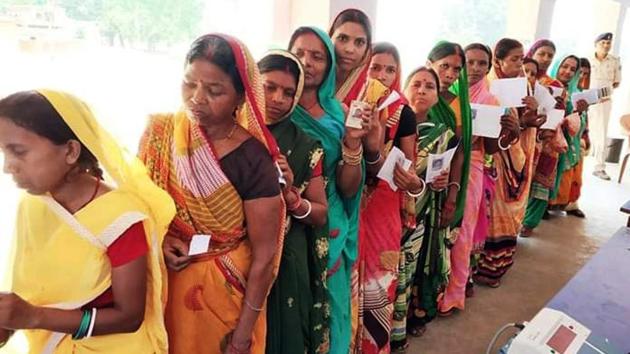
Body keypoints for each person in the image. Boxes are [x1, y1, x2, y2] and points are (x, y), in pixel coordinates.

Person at [139, 34, 285, 354]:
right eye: (189, 84)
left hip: (226, 295)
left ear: (240, 97)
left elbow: (264, 256)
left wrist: (244, 333)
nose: (197, 98)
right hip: (166, 284)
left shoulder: (253, 160)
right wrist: (160, 240)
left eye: (214, 90)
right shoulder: (160, 135)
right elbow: (138, 205)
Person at [0, 89, 174, 353]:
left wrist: (35, 317)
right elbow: (35, 291)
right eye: (4, 152)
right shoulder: (33, 206)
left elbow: (129, 317)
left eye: (19, 152)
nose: (7, 166)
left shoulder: (122, 219)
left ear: (70, 151)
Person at [288, 26, 369, 354]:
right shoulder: (271, 106)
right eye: (300, 53)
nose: (307, 62)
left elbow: (348, 188)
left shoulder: (338, 114)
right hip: (282, 218)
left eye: (317, 56)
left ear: (329, 65)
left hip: (329, 221)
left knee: (331, 308)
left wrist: (352, 145)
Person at [438, 43, 520, 314]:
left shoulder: (491, 101)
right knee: (436, 228)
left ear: (489, 67)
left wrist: (505, 132)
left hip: (471, 165)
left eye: (481, 64)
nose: (474, 69)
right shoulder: (445, 94)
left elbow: (492, 149)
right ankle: (432, 287)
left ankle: (454, 293)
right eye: (469, 63)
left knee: (462, 231)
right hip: (438, 163)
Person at [258, 50, 330, 354]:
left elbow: (321, 214)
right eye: (269, 87)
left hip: (284, 257)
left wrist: (292, 198)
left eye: (288, 93)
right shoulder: (226, 133)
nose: (277, 99)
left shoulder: (304, 145)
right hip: (228, 256)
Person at [355, 42, 419, 353]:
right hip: (347, 200)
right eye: (375, 67)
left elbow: (408, 167)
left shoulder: (403, 112)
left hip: (383, 205)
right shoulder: (345, 105)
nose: (382, 75)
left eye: (390, 70)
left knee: (379, 280)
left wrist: (411, 180)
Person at [475, 38, 544, 287]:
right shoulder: (489, 88)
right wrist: (521, 124)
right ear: (498, 61)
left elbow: (523, 124)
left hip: (516, 157)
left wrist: (532, 115)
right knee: (493, 213)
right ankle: (484, 268)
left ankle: (499, 266)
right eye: (514, 59)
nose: (519, 64)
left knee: (507, 212)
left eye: (521, 58)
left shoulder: (522, 86)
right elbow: (493, 129)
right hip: (495, 159)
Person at [390, 66, 446, 351]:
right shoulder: (390, 124)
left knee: (406, 274)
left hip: (418, 214)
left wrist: (440, 182)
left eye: (429, 86)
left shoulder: (442, 135)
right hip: (385, 213)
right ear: (405, 87)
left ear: (438, 96)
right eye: (417, 84)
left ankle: (397, 334)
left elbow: (438, 178)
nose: (422, 90)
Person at [548, 57, 591, 216]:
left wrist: (578, 112)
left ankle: (555, 204)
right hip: (544, 141)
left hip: (565, 142)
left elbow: (579, 123)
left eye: (573, 69)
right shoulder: (545, 86)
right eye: (564, 66)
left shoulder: (577, 95)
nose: (567, 72)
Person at [589, 32, 622, 181]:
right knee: (581, 131)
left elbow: (616, 82)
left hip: (603, 101)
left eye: (608, 43)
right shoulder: (587, 60)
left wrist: (603, 92)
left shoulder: (614, 61)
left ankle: (599, 167)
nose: (606, 45)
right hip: (586, 100)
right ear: (596, 44)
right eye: (603, 43)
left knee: (601, 134)